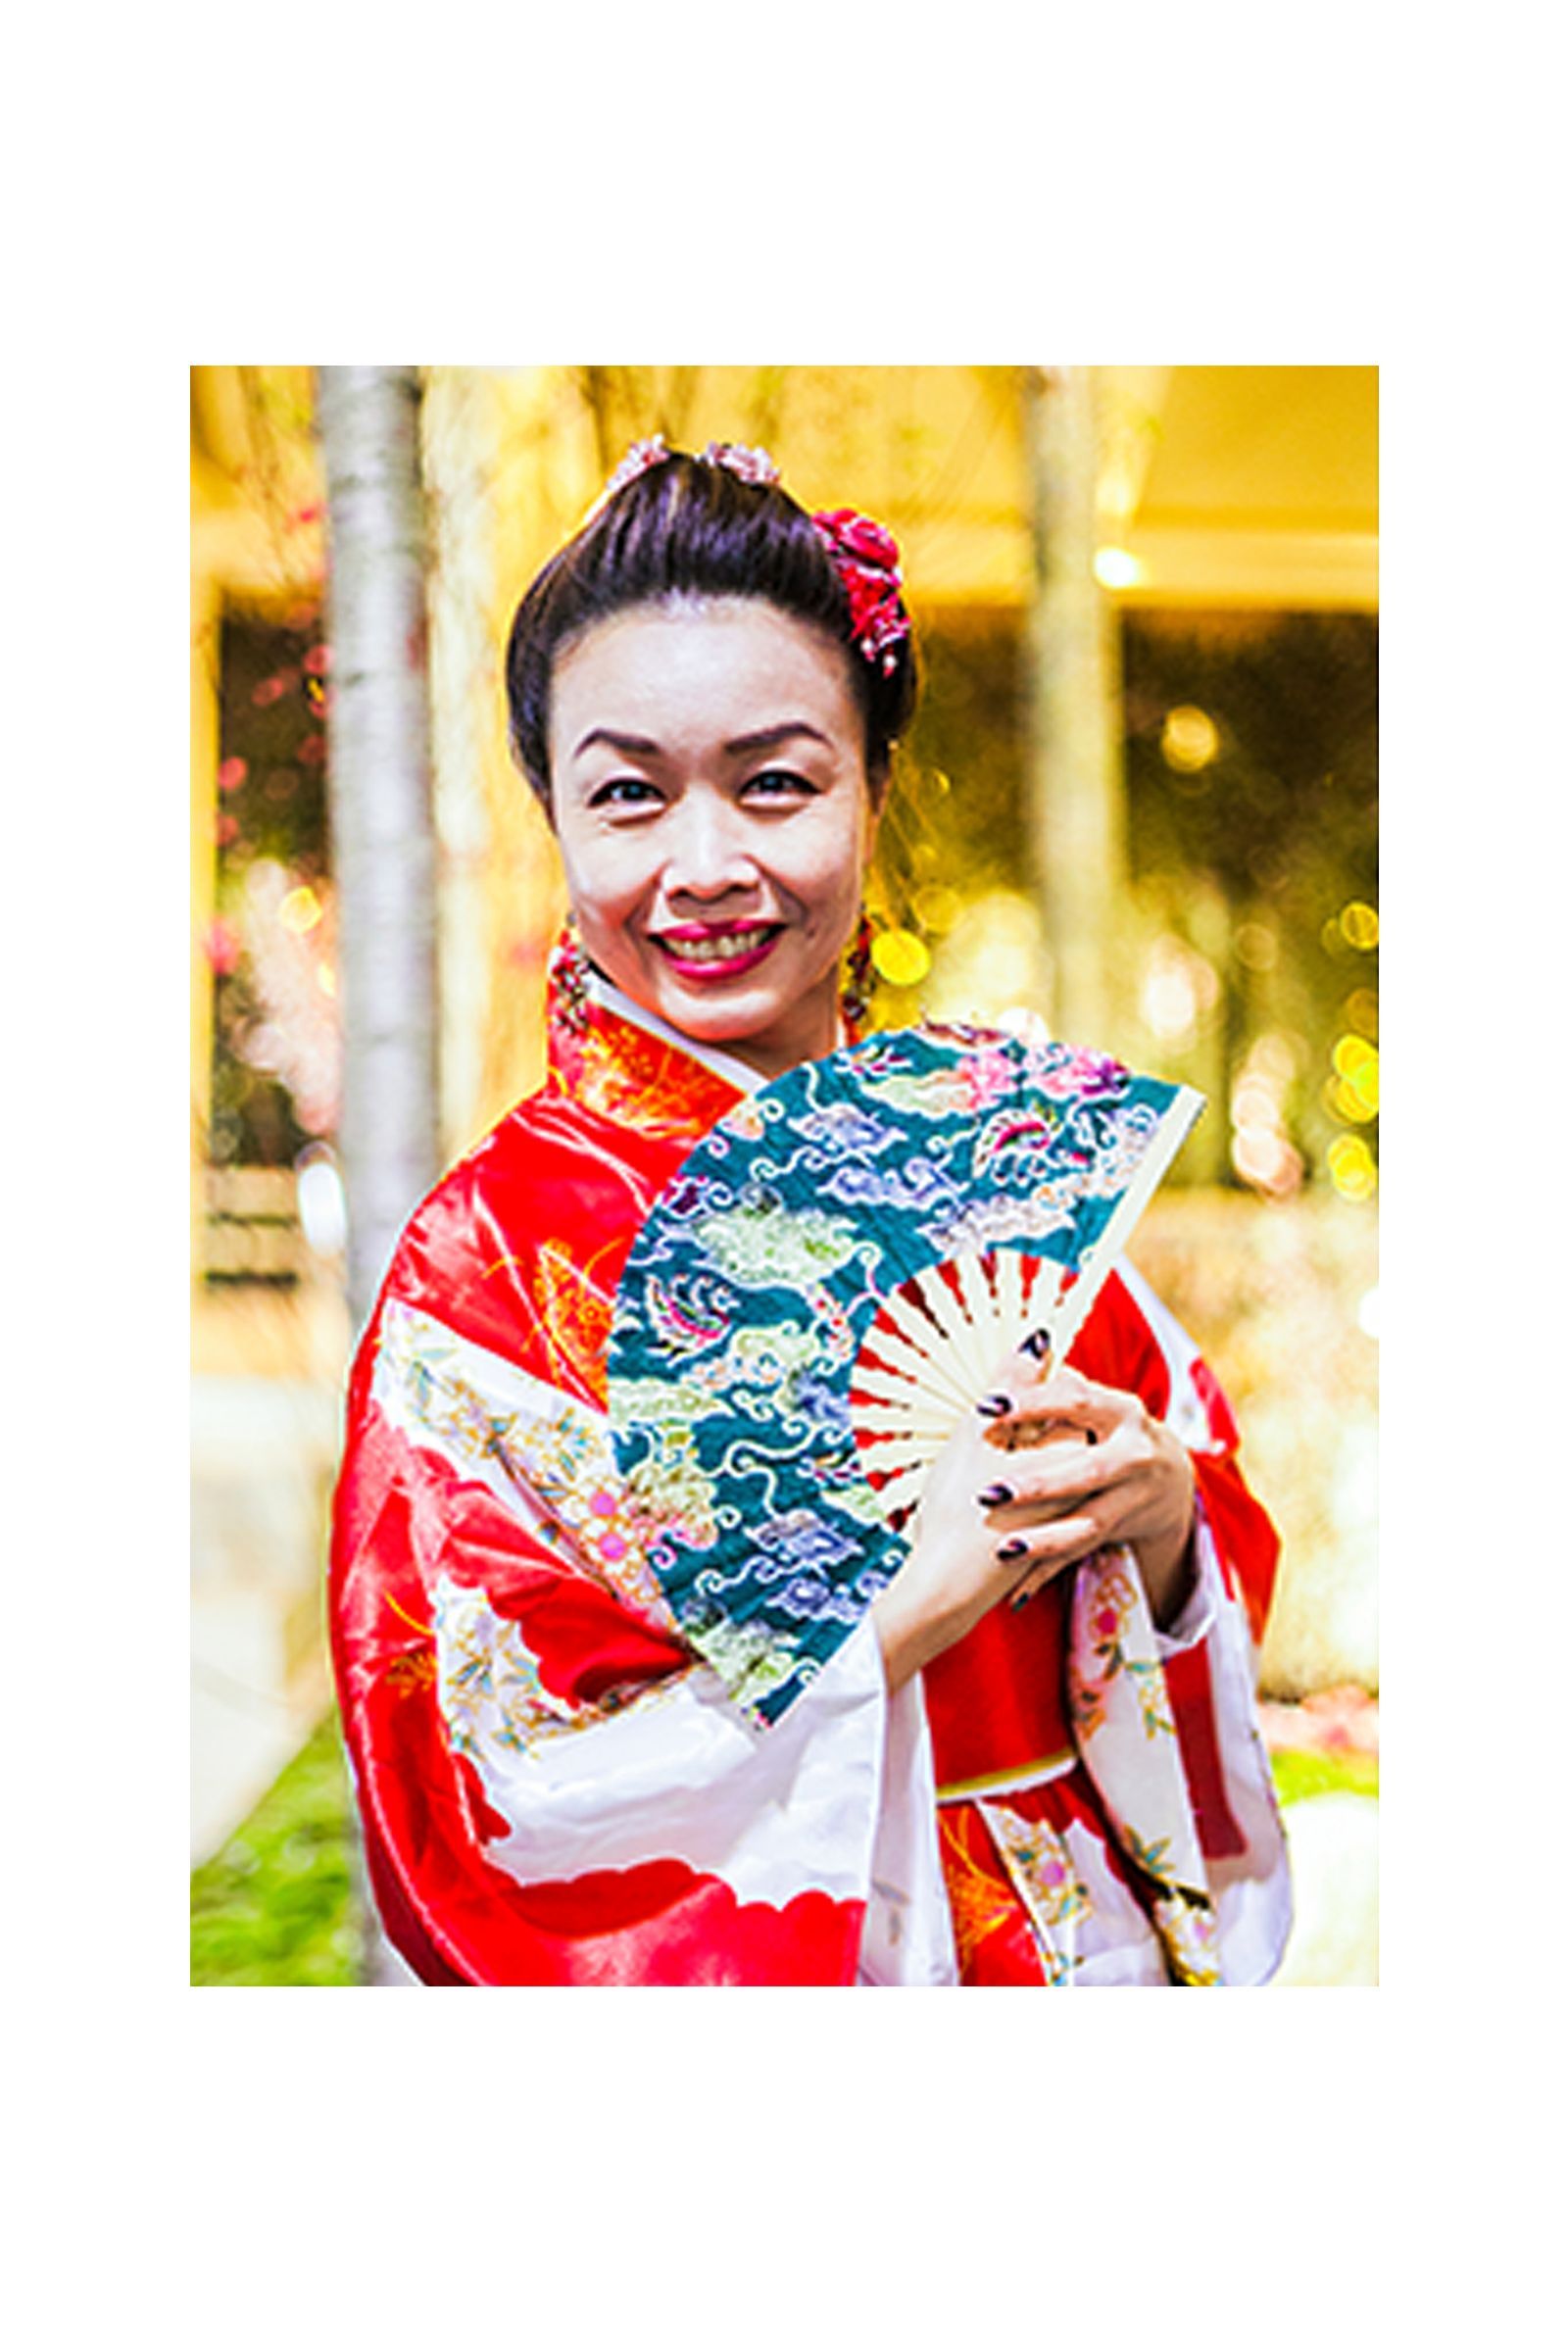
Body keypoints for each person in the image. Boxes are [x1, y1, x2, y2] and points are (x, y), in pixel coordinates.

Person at [328, 437, 1291, 1985]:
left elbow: (1207, 1566)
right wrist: (882, 1636)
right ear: (554, 819)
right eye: (628, 796)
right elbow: (473, 1792)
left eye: (776, 782)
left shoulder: (1009, 1175)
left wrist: (1166, 1528)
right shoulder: (488, 1267)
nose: (706, 866)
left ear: (875, 787)